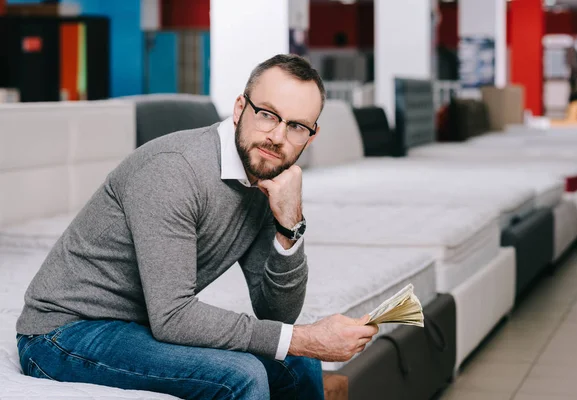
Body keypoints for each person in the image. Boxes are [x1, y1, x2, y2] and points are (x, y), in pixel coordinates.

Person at [15, 54, 379, 400]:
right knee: (244, 373)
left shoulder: (267, 179)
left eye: (297, 126)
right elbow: (173, 318)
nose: (278, 136)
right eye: (267, 114)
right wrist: (302, 338)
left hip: (139, 325)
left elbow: (276, 314)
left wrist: (290, 223)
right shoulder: (174, 169)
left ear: (310, 137)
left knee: (298, 362)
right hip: (64, 332)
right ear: (240, 109)